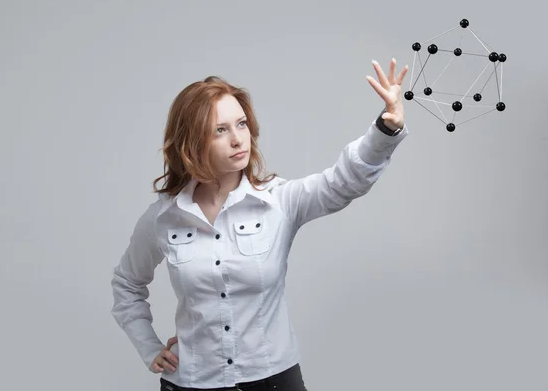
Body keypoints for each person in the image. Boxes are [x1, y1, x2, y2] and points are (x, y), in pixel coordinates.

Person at [111, 58, 410, 390]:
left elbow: (343, 182)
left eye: (241, 124)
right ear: (192, 143)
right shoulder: (164, 217)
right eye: (220, 131)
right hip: (193, 383)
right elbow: (127, 285)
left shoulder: (278, 200)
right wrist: (148, 347)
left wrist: (386, 129)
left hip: (274, 381)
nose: (238, 139)